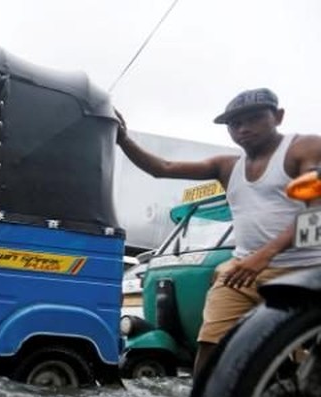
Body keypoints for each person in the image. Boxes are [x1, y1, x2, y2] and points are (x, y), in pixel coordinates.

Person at [116, 88, 321, 375]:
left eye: (254, 118)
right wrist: (123, 140)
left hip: (306, 269)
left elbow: (315, 213)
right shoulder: (226, 166)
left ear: (278, 116)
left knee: (303, 350)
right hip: (243, 270)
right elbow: (163, 167)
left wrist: (264, 256)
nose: (244, 128)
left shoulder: (304, 148)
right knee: (210, 341)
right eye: (234, 124)